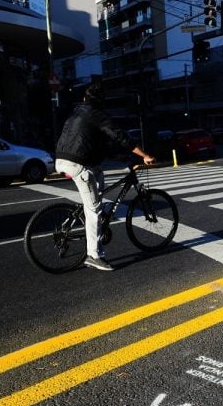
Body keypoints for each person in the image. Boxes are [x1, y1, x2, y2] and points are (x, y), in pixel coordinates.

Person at [55, 82, 155, 271]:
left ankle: (94, 221)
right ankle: (94, 255)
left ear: (85, 98)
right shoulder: (97, 114)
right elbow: (120, 136)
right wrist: (144, 155)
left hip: (66, 159)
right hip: (77, 163)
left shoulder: (77, 112)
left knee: (97, 179)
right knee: (94, 210)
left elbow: (100, 144)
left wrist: (121, 156)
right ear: (102, 101)